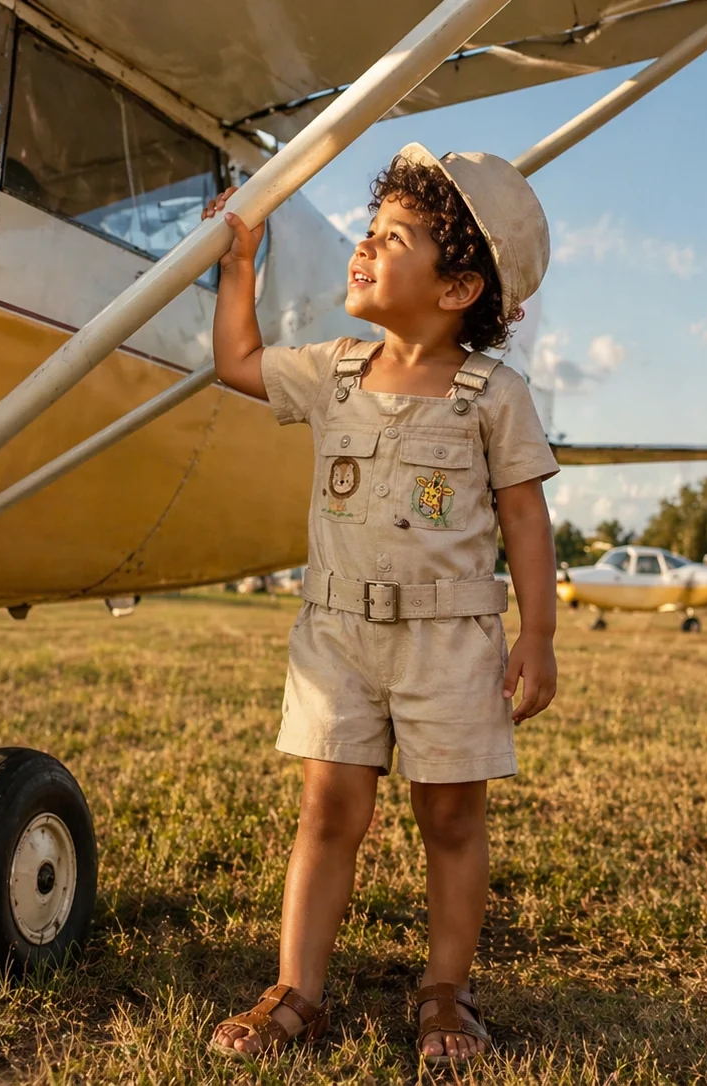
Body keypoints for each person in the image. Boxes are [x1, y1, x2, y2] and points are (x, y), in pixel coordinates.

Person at [203, 144, 559, 1067]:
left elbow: (525, 516)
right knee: (328, 812)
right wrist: (238, 265)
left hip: (452, 643)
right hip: (338, 638)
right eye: (370, 231)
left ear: (456, 288)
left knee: (450, 819)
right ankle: (297, 992)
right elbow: (237, 361)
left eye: (392, 237)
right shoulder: (332, 371)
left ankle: (446, 993)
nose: (365, 249)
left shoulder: (495, 396)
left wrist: (539, 634)